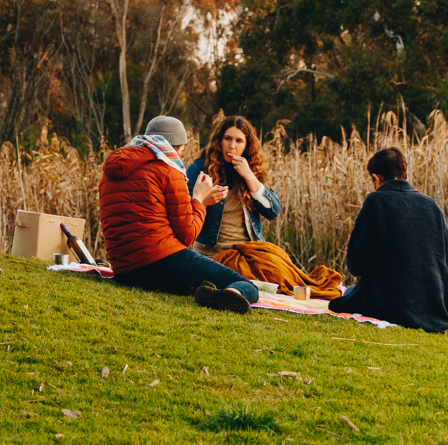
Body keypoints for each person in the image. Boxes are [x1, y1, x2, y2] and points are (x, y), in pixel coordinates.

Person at [98, 114, 260, 315]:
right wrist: (198, 197)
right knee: (248, 286)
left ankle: (206, 291)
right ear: (176, 146)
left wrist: (199, 202)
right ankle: (230, 293)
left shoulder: (109, 172)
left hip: (124, 270)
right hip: (161, 261)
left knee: (197, 282)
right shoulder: (168, 170)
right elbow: (187, 235)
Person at [185, 115, 344, 299]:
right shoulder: (200, 169)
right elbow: (183, 214)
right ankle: (227, 291)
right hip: (212, 254)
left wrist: (250, 177)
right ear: (219, 141)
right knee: (245, 278)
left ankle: (223, 290)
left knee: (279, 267)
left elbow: (273, 212)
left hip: (249, 253)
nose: (232, 146)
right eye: (227, 139)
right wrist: (204, 201)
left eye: (239, 141)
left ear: (247, 146)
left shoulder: (253, 171)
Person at [328, 147, 448, 332]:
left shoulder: (376, 200)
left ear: (376, 178)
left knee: (346, 294)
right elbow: (447, 261)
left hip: (390, 302)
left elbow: (356, 264)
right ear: (405, 174)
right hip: (433, 303)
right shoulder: (431, 205)